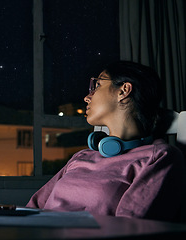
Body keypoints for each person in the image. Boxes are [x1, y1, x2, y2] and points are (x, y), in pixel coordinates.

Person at [26, 61, 186, 222]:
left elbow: (130, 227)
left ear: (123, 90)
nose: (87, 97)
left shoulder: (160, 157)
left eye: (97, 85)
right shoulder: (81, 157)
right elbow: (32, 209)